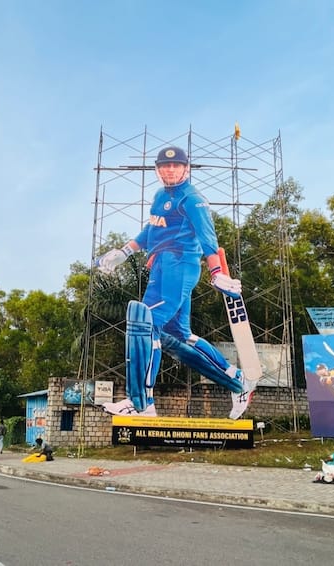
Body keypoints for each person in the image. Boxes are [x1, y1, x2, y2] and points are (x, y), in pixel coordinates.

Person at [97, 146, 255, 419]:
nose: (169, 170)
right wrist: (124, 251)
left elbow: (208, 238)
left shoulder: (192, 199)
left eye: (176, 165)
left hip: (179, 266)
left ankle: (141, 402)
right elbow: (153, 229)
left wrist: (217, 273)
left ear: (186, 168)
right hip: (161, 266)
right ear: (158, 170)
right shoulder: (160, 195)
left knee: (144, 323)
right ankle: (239, 382)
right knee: (178, 336)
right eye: (164, 166)